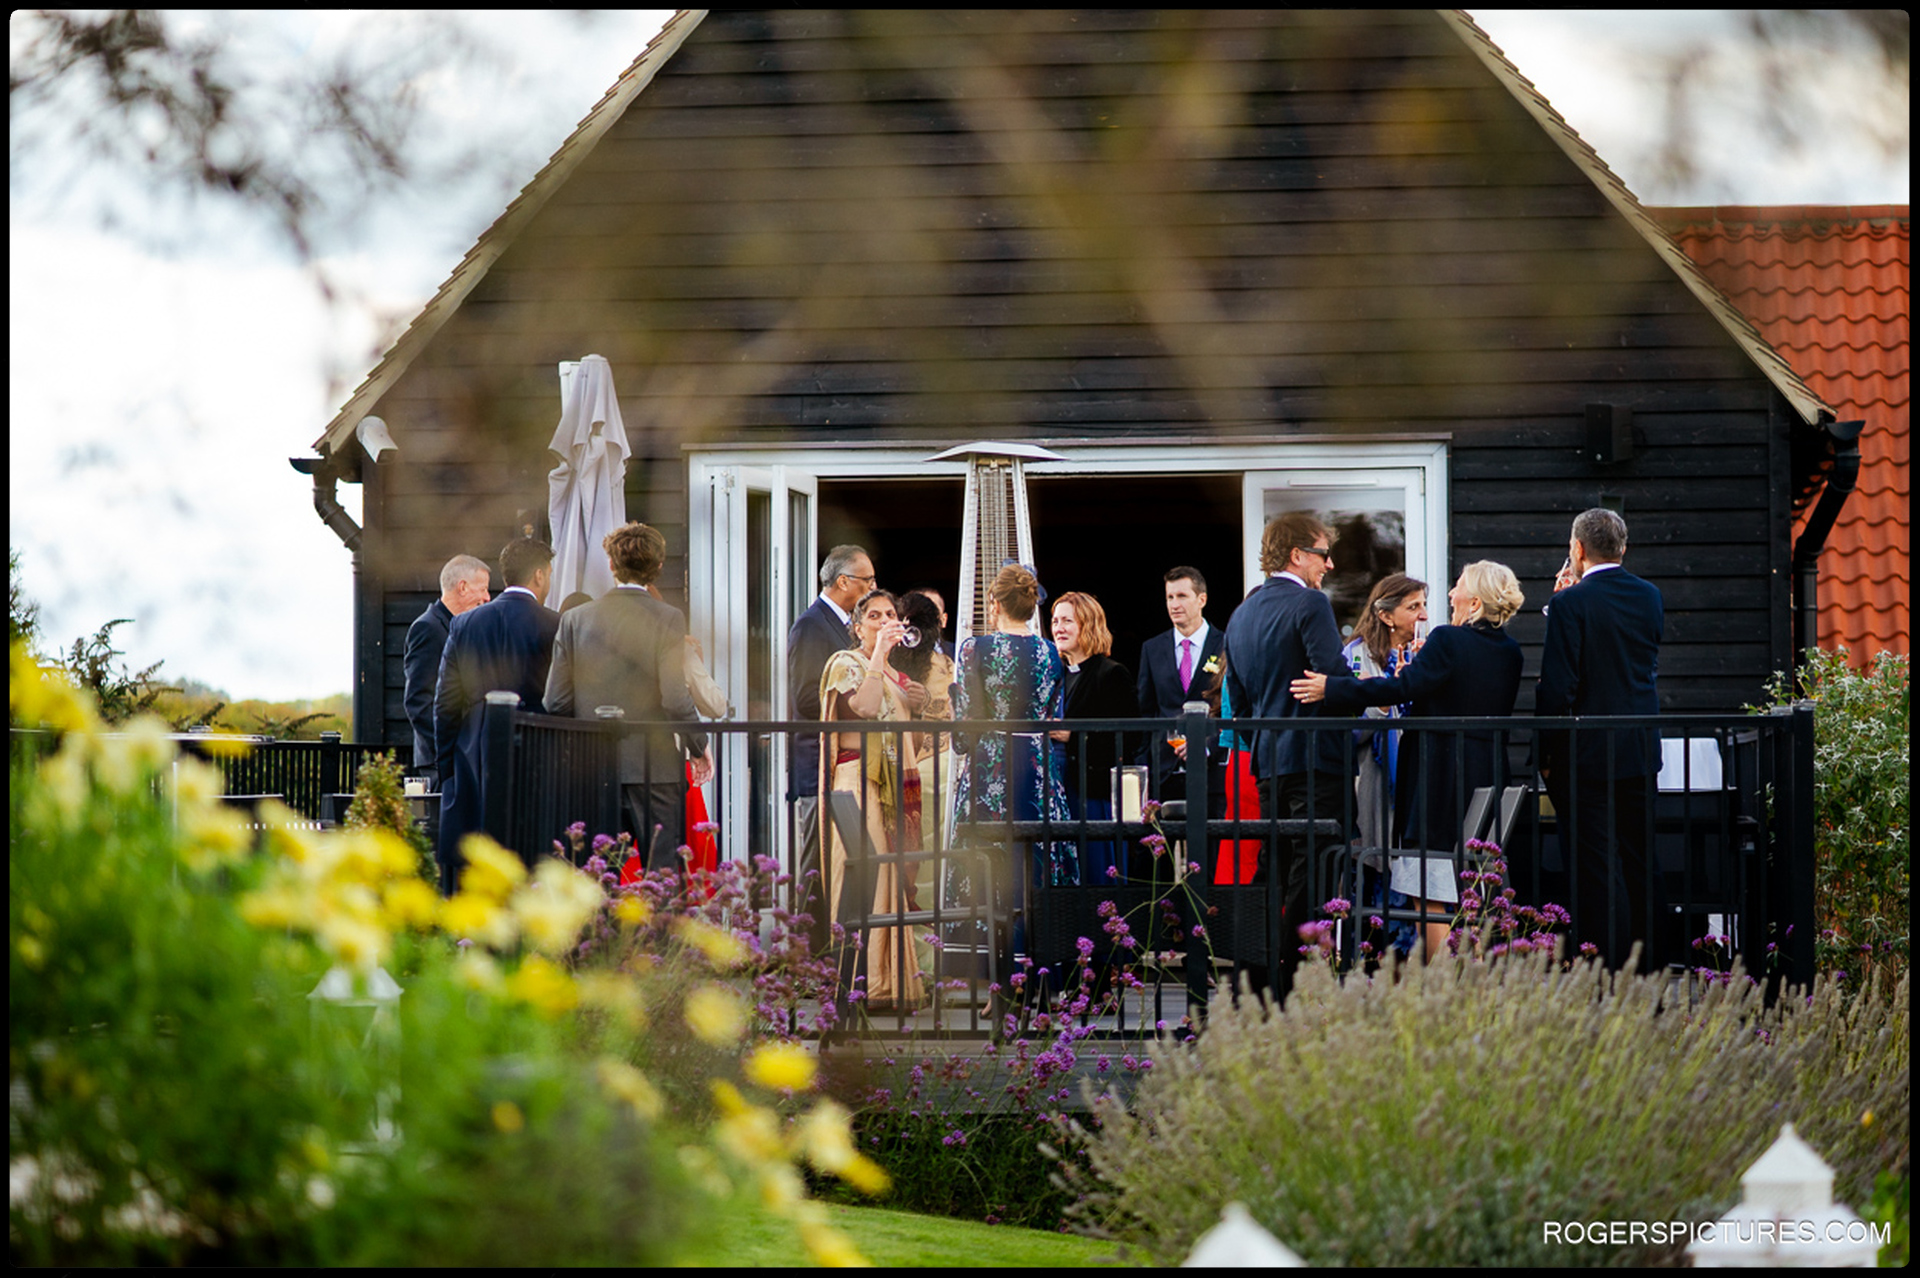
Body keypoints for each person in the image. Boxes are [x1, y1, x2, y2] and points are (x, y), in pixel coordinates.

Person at [1294, 564, 1523, 959]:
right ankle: (1477, 975)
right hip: (1486, 773)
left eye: (1457, 587)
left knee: (1426, 886)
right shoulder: (1511, 652)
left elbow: (1401, 688)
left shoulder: (1448, 640)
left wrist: (1332, 687)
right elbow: (1454, 696)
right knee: (1476, 885)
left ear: (1474, 600)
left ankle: (1447, 980)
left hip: (1437, 778)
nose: (1450, 595)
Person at [1222, 514, 1348, 1005]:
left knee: (1270, 872)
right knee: (1311, 873)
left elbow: (1240, 702)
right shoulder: (1309, 602)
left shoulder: (1241, 614)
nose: (1329, 564)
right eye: (1322, 554)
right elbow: (1334, 678)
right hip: (1317, 758)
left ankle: (1250, 982)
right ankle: (1291, 986)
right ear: (1297, 555)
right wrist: (1355, 691)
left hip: (1268, 762)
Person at [1535, 508, 1664, 971]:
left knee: (1596, 867)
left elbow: (1559, 685)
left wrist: (1545, 752)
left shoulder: (1572, 604)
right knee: (1638, 860)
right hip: (1641, 749)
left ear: (1577, 549)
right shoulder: (1650, 597)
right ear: (1623, 548)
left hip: (1587, 754)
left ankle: (1606, 971)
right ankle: (1646, 966)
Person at [545, 522, 713, 876]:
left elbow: (556, 702)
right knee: (662, 875)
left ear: (610, 565)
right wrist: (699, 745)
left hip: (591, 766)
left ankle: (598, 933)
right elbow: (673, 696)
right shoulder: (667, 617)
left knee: (595, 875)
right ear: (658, 567)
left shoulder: (575, 620)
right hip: (654, 766)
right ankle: (660, 934)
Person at [949, 565, 1076, 956]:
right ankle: (1039, 967)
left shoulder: (974, 649)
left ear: (995, 602)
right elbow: (1052, 713)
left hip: (993, 766)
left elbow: (964, 733)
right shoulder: (1052, 653)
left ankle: (994, 974)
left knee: (987, 861)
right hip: (1037, 767)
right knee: (1035, 861)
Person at [433, 537, 562, 894]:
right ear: (539, 575)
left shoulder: (464, 625)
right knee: (533, 859)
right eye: (549, 573)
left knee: (475, 866)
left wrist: (449, 770)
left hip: (473, 755)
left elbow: (445, 704)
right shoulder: (556, 625)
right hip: (538, 754)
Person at [819, 589, 927, 1013]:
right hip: (856, 780)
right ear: (858, 625)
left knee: (889, 878)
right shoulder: (845, 663)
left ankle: (887, 985)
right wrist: (880, 655)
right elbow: (863, 707)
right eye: (876, 615)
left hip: (889, 787)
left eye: (891, 615)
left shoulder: (895, 675)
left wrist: (913, 708)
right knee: (861, 877)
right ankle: (853, 984)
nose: (885, 621)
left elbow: (911, 744)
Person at [787, 544, 877, 945]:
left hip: (841, 765)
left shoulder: (841, 625)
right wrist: (856, 705)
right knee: (814, 862)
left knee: (838, 861)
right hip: (816, 762)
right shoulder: (812, 626)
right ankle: (804, 958)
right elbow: (807, 698)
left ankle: (832, 952)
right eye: (868, 580)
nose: (874, 587)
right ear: (844, 582)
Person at [1047, 591, 1138, 884]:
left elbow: (1130, 739)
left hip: (1093, 794)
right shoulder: (1052, 674)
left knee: (1095, 875)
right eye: (1055, 620)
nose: (1058, 627)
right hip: (1057, 790)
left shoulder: (1111, 674)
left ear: (1088, 625)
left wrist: (1073, 737)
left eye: (1067, 621)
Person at [1137, 567, 1227, 806]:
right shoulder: (1152, 649)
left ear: (1202, 599)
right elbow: (1146, 712)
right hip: (1163, 774)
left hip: (1211, 772)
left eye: (1182, 596)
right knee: (1157, 844)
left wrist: (1206, 746)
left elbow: (1233, 709)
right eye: (1169, 597)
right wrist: (1143, 770)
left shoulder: (1226, 645)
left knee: (1210, 843)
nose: (1174, 604)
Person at [403, 554, 489, 787]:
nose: (487, 597)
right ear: (462, 587)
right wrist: (449, 748)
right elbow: (418, 701)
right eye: (483, 589)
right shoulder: (428, 628)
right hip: (441, 761)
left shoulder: (462, 628)